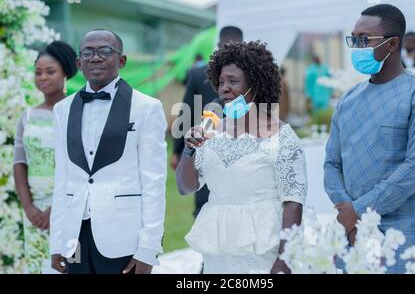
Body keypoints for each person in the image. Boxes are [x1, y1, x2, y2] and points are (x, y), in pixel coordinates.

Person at [324, 4, 415, 273]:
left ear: (393, 43)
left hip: (403, 236)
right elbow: (332, 164)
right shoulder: (348, 99)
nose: (356, 47)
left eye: (363, 40)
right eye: (353, 39)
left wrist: (358, 211)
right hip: (351, 236)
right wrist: (348, 213)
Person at [176, 41, 308, 274]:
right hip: (219, 252)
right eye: (221, 82)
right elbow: (186, 187)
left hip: (263, 252)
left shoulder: (282, 136)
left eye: (233, 81)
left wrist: (285, 260)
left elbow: (293, 203)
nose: (223, 89)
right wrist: (189, 149)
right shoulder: (210, 132)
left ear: (255, 84)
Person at [49, 29, 167, 274]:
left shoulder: (147, 108)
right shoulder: (62, 110)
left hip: (123, 237)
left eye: (105, 51)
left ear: (121, 60)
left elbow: (154, 183)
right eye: (88, 52)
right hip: (75, 238)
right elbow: (62, 178)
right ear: (79, 63)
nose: (96, 57)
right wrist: (56, 242)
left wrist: (148, 248)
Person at [13, 41, 77, 274]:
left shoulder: (75, 111)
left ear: (66, 73)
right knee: (37, 268)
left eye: (50, 71)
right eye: (38, 72)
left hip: (69, 207)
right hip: (34, 214)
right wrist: (29, 207)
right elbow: (19, 163)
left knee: (66, 267)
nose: (43, 77)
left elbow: (79, 165)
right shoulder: (27, 116)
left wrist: (55, 210)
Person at [172, 26, 243, 218]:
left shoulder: (250, 75)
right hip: (206, 144)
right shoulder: (198, 74)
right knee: (205, 201)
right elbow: (187, 112)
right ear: (217, 46)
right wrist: (178, 151)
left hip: (242, 146)